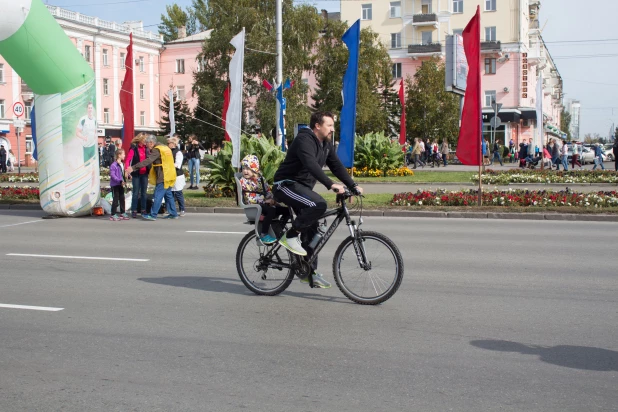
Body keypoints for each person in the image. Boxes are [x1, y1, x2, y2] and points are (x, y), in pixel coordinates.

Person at [272, 111, 364, 289]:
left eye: (333, 126)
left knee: (315, 231)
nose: (332, 129)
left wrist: (352, 185)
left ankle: (308, 272)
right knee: (319, 204)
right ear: (317, 126)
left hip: (302, 189)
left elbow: (336, 165)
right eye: (329, 125)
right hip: (286, 185)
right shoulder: (304, 140)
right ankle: (290, 236)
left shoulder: (326, 144)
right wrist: (331, 185)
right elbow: (310, 164)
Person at [239, 155, 289, 244]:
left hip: (264, 204)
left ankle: (279, 229)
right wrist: (264, 201)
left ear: (254, 169)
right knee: (272, 210)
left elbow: (267, 191)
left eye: (248, 168)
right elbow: (248, 197)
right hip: (255, 206)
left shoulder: (260, 179)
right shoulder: (243, 181)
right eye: (243, 168)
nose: (245, 171)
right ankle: (264, 234)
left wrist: (273, 200)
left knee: (286, 211)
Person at [126, 135, 178, 220]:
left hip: (163, 175)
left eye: (147, 143)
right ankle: (173, 213)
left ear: (151, 143)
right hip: (170, 174)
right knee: (168, 195)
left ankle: (153, 214)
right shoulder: (165, 148)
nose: (146, 145)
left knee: (158, 195)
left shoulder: (157, 149)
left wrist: (133, 168)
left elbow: (148, 161)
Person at [125, 133, 151, 218]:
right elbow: (128, 160)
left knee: (144, 193)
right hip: (136, 174)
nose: (146, 142)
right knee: (135, 192)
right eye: (145, 140)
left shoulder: (147, 149)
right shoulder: (134, 148)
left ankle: (143, 210)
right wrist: (127, 170)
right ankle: (134, 210)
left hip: (145, 173)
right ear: (141, 140)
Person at [168, 135, 186, 217]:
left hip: (177, 175)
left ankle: (182, 209)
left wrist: (168, 165)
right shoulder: (169, 152)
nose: (168, 144)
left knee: (178, 193)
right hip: (170, 175)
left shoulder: (178, 152)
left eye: (169, 143)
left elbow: (178, 164)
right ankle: (171, 210)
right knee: (170, 193)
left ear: (173, 143)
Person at [109, 149, 130, 221]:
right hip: (115, 184)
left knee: (122, 198)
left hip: (121, 184)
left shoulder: (122, 164)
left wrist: (128, 176)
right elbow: (112, 175)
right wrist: (119, 180)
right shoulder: (114, 165)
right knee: (115, 199)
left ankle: (122, 212)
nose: (124, 155)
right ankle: (113, 214)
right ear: (119, 155)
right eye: (123, 154)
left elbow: (123, 173)